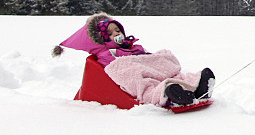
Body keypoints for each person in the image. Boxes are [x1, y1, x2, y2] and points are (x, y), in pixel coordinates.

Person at [52, 13, 215, 107]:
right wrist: (133, 61)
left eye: (118, 30)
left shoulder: (131, 46)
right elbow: (117, 68)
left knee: (164, 60)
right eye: (110, 33)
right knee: (136, 75)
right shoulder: (106, 52)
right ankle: (166, 95)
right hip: (131, 75)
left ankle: (195, 86)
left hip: (147, 68)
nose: (116, 34)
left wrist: (152, 58)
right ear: (102, 39)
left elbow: (147, 58)